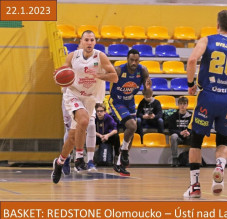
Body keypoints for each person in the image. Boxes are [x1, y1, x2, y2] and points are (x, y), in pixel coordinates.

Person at [184, 10, 227, 198]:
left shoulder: (207, 40)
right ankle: (220, 167)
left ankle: (195, 187)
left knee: (196, 141)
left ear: (217, 24)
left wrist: (191, 85)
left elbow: (192, 60)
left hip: (208, 96)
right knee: (223, 141)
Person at [51, 30, 118, 184]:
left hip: (90, 99)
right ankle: (80, 158)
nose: (89, 43)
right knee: (84, 121)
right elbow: (62, 73)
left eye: (92, 40)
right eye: (86, 40)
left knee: (73, 137)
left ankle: (59, 163)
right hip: (74, 95)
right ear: (81, 42)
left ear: (95, 42)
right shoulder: (73, 56)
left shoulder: (100, 56)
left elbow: (114, 76)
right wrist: (59, 77)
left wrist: (99, 76)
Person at [109, 49, 152, 176]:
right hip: (116, 102)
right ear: (127, 59)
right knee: (132, 126)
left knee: (132, 132)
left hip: (130, 102)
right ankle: (124, 152)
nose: (134, 62)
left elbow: (147, 95)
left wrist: (148, 89)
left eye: (136, 60)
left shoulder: (143, 71)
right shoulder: (119, 70)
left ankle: (119, 164)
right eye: (131, 60)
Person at [168, 96, 192, 167]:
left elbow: (194, 127)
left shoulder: (191, 116)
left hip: (188, 137)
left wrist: (189, 132)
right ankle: (175, 158)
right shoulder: (173, 116)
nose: (182, 106)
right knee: (173, 136)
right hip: (179, 138)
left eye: (184, 104)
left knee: (195, 136)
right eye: (181, 104)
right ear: (178, 105)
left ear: (187, 105)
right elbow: (171, 129)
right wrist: (180, 133)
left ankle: (192, 158)